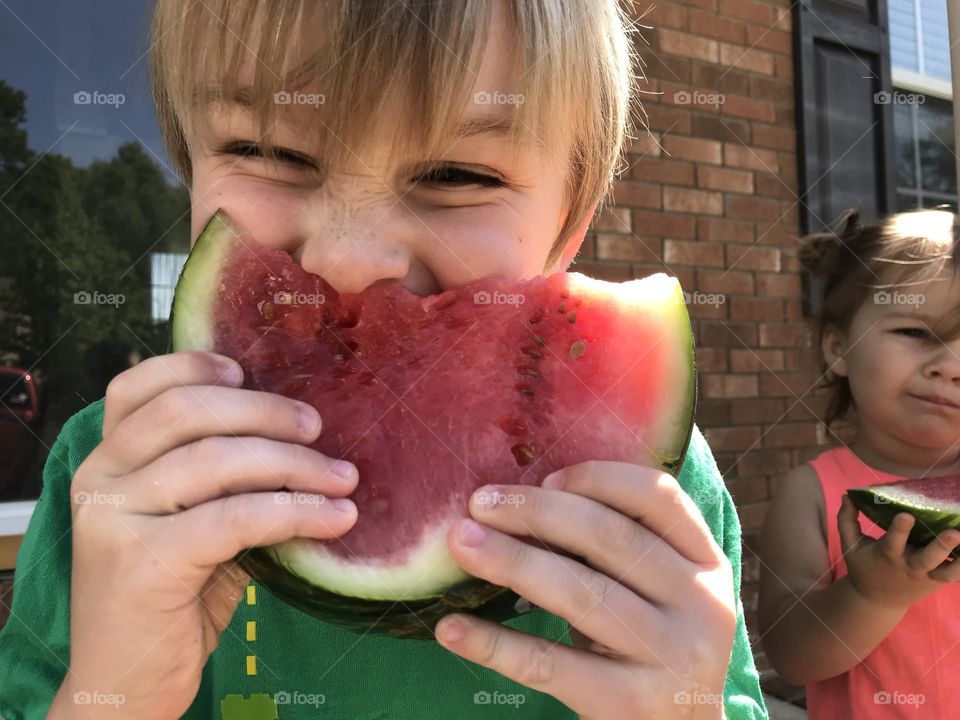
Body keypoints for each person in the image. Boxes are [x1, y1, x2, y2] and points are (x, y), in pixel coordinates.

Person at [0, 1, 766, 718]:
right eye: (268, 151)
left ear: (568, 227)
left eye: (456, 176)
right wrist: (112, 694)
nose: (351, 260)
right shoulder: (108, 485)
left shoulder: (659, 495)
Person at [759, 208, 960, 718]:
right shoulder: (812, 493)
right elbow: (792, 658)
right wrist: (873, 597)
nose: (950, 367)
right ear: (838, 347)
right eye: (917, 332)